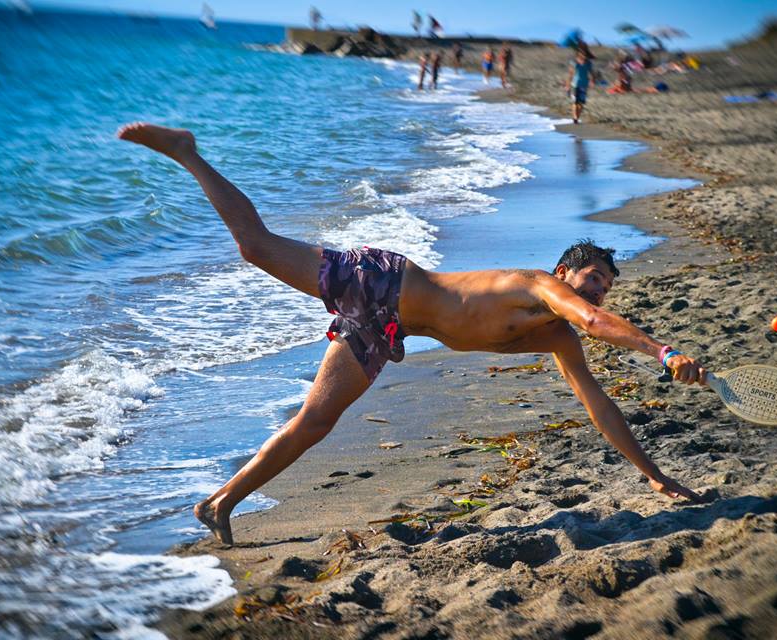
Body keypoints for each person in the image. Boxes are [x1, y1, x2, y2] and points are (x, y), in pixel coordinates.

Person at [117, 122, 708, 545]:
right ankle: (188, 153)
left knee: (315, 423)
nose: (598, 290)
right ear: (564, 273)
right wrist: (663, 350)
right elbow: (594, 321)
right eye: (592, 277)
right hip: (383, 282)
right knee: (256, 247)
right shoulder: (539, 286)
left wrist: (653, 475)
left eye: (606, 284)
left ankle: (219, 503)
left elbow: (598, 403)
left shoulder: (558, 338)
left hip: (387, 328)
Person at [566, 44, 595, 123]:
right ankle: (575, 118)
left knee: (581, 103)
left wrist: (592, 80)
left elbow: (591, 73)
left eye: (585, 54)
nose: (583, 55)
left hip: (584, 85)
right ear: (579, 54)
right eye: (582, 54)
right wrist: (567, 85)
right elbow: (570, 74)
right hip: (575, 85)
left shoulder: (588, 63)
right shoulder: (574, 62)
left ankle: (577, 117)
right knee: (575, 102)